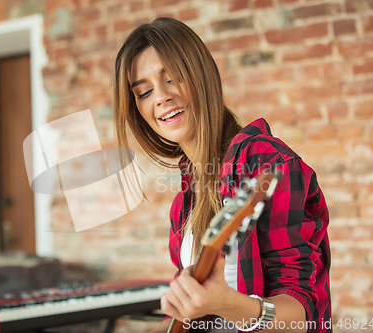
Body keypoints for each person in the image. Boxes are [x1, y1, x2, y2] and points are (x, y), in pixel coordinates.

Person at [113, 18, 331, 333]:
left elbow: (301, 317)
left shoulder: (266, 163)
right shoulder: (183, 205)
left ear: (201, 75)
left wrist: (226, 304)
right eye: (144, 91)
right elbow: (189, 318)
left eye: (172, 78)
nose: (160, 97)